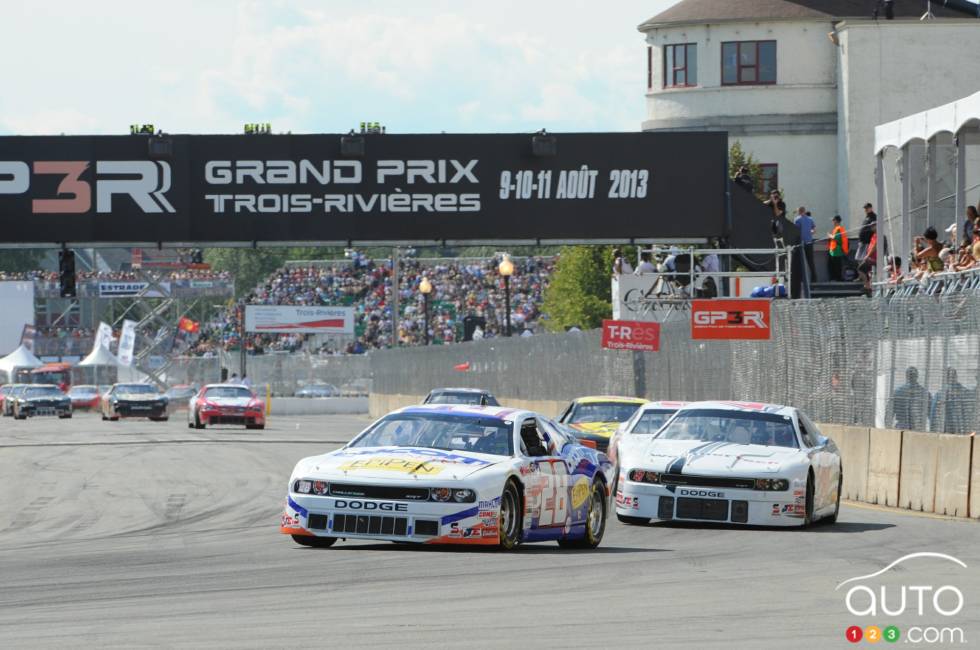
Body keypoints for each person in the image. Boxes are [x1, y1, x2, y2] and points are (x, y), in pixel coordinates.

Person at [930, 368, 974, 434]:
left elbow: (933, 416)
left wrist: (933, 430)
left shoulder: (940, 394)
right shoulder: (966, 392)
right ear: (956, 377)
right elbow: (971, 413)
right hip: (962, 430)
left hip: (945, 430)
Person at [888, 366, 930, 431]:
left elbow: (889, 413)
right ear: (917, 376)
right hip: (918, 428)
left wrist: (887, 428)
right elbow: (932, 415)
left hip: (901, 427)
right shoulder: (925, 393)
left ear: (906, 376)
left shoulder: (898, 392)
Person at [794, 207, 816, 281]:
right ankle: (814, 279)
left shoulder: (797, 219)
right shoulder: (810, 219)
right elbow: (814, 229)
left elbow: (795, 232)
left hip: (801, 244)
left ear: (799, 212)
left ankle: (801, 280)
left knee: (800, 262)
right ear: (805, 211)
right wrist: (811, 231)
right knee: (811, 262)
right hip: (809, 243)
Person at [857, 221, 877, 291]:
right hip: (871, 257)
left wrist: (867, 256)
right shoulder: (874, 235)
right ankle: (868, 285)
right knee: (865, 269)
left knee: (861, 268)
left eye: (873, 226)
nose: (872, 227)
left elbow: (874, 247)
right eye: (871, 226)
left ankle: (867, 286)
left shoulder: (878, 235)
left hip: (874, 258)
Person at [827, 215, 848, 281]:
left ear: (836, 221)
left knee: (837, 266)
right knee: (833, 265)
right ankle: (836, 278)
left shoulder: (839, 228)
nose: (832, 222)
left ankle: (838, 279)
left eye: (833, 220)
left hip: (837, 250)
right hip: (834, 250)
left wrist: (830, 235)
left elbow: (837, 238)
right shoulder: (837, 228)